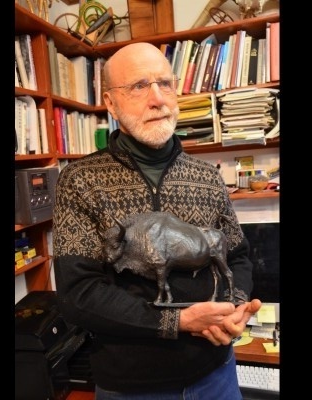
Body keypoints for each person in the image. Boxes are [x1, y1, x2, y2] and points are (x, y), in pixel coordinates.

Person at [53, 42, 261, 400]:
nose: (157, 99)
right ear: (110, 103)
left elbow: (237, 257)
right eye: (138, 86)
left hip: (217, 374)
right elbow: (78, 294)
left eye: (165, 83)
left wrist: (234, 308)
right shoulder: (79, 180)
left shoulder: (207, 177)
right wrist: (179, 321)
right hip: (131, 386)